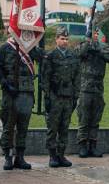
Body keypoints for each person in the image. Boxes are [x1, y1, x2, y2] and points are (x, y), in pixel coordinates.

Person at [0, 37, 45, 170]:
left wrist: (38, 40)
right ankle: (8, 157)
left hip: (27, 93)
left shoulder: (29, 48)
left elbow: (42, 58)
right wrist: (5, 84)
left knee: (23, 127)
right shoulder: (5, 47)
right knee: (9, 127)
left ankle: (20, 158)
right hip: (11, 94)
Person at [42, 27, 80, 167]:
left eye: (66, 39)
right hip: (55, 97)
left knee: (64, 127)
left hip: (68, 97)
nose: (65, 41)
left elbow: (77, 78)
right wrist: (47, 96)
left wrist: (76, 96)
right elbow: (45, 78)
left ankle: (61, 155)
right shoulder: (50, 56)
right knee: (53, 127)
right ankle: (52, 156)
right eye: (62, 38)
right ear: (56, 39)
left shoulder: (73, 57)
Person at [77, 27, 109, 158]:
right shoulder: (83, 45)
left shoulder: (102, 47)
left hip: (98, 88)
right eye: (92, 33)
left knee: (95, 118)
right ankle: (82, 145)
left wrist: (98, 49)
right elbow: (79, 54)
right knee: (84, 117)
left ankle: (92, 145)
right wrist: (88, 43)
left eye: (96, 33)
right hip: (85, 87)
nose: (95, 35)